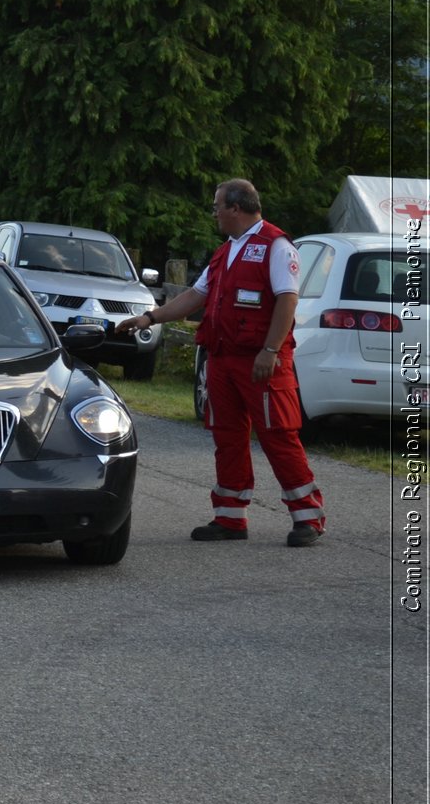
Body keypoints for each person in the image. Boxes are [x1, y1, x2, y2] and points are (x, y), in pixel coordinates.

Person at [115, 178, 325, 547]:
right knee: (228, 438)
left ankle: (307, 516)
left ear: (236, 208)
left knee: (278, 435)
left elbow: (287, 300)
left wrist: (271, 350)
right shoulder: (225, 251)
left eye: (217, 206)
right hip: (224, 360)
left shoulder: (276, 246)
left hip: (261, 361)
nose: (214, 213)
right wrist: (150, 318)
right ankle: (230, 518)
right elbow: (197, 296)